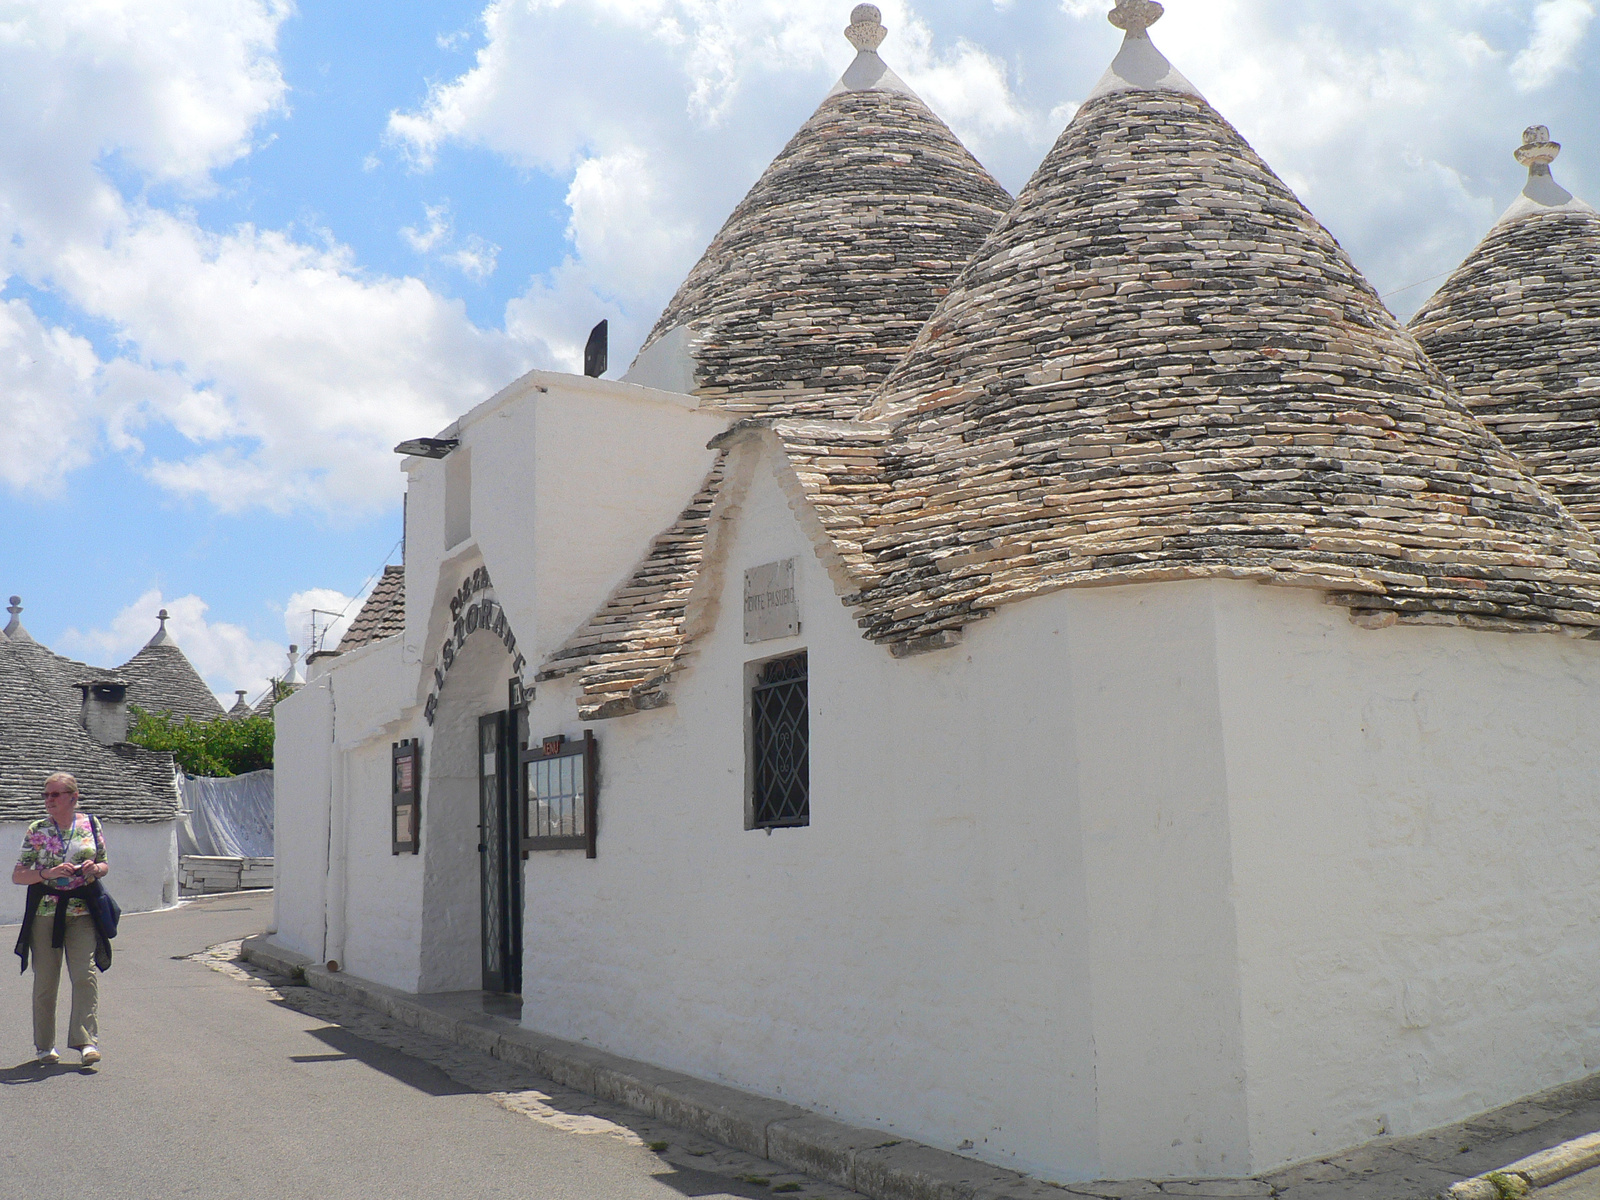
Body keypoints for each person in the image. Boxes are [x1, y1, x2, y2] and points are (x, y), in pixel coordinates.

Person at [11, 772, 110, 1066]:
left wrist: (95, 868)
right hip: (45, 914)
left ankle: (86, 1042)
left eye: (55, 795)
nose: (49, 800)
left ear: (73, 796)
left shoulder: (91, 825)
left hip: (83, 912)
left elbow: (105, 864)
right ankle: (44, 1046)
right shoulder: (37, 830)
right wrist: (48, 873)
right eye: (46, 795)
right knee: (46, 981)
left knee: (85, 975)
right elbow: (18, 875)